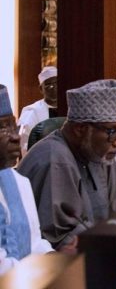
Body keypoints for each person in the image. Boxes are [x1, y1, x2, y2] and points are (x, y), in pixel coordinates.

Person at [18, 80, 116, 251]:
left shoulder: (98, 153)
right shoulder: (54, 159)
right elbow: (62, 240)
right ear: (80, 129)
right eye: (112, 131)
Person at [0, 85, 52, 274]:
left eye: (13, 125)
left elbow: (34, 243)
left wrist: (56, 259)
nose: (15, 137)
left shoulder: (18, 180)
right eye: (1, 128)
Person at [18, 66, 58, 154]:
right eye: (49, 85)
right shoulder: (32, 112)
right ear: (41, 89)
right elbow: (25, 143)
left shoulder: (70, 107)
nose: (54, 88)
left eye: (57, 83)